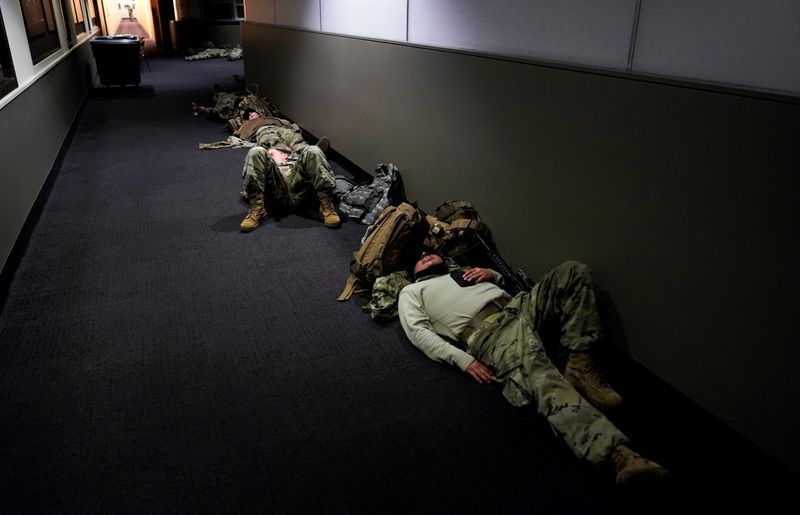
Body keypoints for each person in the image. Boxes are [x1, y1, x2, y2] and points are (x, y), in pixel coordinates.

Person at [397, 251, 668, 486]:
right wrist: (462, 360)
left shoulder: (463, 271)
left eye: (428, 252)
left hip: (521, 305)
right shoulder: (412, 291)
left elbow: (503, 284)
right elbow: (418, 332)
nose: (424, 255)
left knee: (572, 271)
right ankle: (619, 456)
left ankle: (580, 364)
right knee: (541, 377)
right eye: (418, 259)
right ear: (413, 273)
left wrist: (492, 274)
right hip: (490, 332)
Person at [239, 135, 339, 232]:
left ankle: (327, 206)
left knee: (313, 150)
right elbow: (250, 185)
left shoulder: (298, 164)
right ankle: (258, 210)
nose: (268, 157)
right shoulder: (269, 169)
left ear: (285, 155)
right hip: (275, 193)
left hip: (301, 191)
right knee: (256, 151)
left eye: (271, 155)